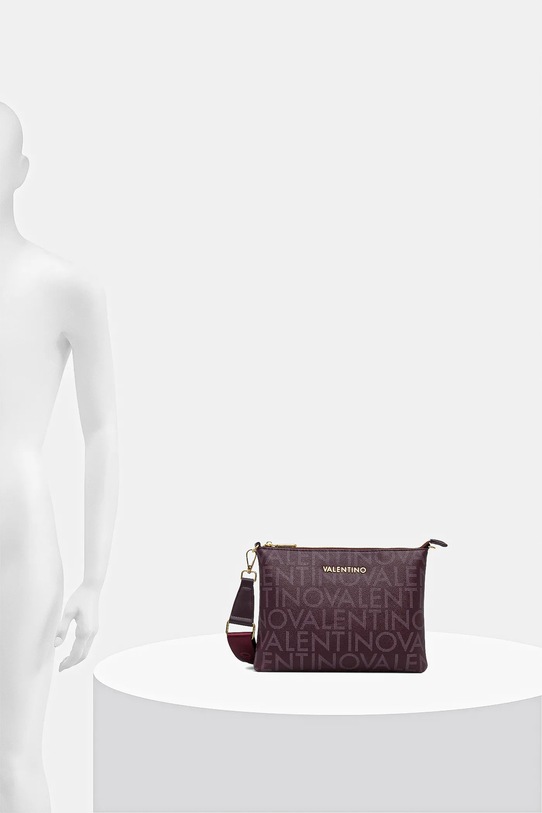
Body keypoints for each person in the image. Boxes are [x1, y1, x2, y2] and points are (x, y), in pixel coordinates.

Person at [0, 102, 118, 813]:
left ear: (21, 170)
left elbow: (101, 431)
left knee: (14, 758)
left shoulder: (66, 286)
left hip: (18, 535)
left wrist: (96, 579)